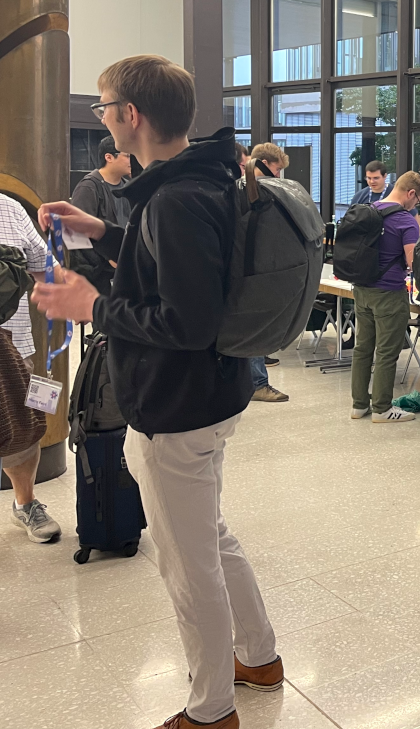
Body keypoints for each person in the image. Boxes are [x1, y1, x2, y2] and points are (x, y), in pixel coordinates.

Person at [32, 54, 281, 729]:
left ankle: (211, 708)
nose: (102, 116)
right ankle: (258, 655)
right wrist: (102, 233)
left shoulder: (175, 197)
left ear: (129, 116)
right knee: (211, 536)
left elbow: (186, 321)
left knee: (186, 563)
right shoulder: (200, 177)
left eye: (103, 105)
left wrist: (92, 307)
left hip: (176, 404)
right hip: (209, 396)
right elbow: (166, 258)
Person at [0, 193, 62, 543]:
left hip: (14, 345)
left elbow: (43, 267)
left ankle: (26, 503)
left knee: (22, 432)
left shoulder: (8, 208)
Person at [350, 172, 420, 423]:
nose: (415, 207)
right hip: (389, 292)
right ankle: (382, 408)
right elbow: (412, 261)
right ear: (411, 193)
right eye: (417, 202)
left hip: (361, 289)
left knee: (363, 348)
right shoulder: (405, 221)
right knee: (386, 352)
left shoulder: (368, 210)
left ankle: (359, 404)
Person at [243, 143, 294, 404]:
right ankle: (257, 384)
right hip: (251, 274)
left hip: (255, 271)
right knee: (252, 329)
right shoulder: (251, 193)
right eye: (275, 170)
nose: (277, 177)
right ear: (261, 163)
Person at [68, 135, 131, 294]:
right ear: (109, 157)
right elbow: (74, 234)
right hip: (99, 275)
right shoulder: (89, 187)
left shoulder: (128, 187)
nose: (133, 160)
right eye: (128, 156)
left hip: (125, 270)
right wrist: (107, 258)